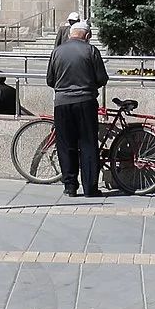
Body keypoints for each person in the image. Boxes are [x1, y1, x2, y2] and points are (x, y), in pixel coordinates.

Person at [45, 20, 109, 198]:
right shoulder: (91, 51)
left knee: (66, 145)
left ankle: (70, 187)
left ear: (69, 34)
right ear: (87, 36)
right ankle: (90, 188)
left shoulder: (57, 52)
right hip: (86, 102)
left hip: (62, 104)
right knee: (88, 144)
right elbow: (102, 78)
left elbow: (50, 80)